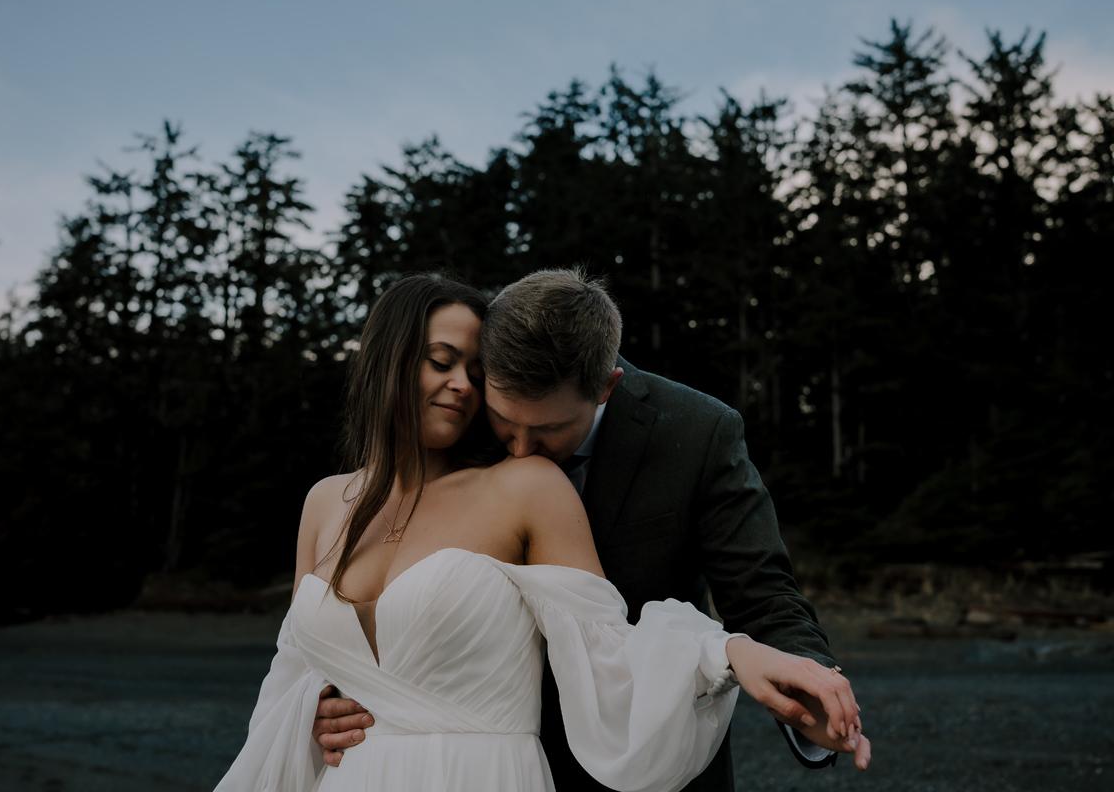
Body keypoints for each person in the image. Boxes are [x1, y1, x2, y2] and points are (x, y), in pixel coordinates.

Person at [215, 274, 864, 792]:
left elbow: (761, 592)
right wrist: (322, 704)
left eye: (549, 431)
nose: (520, 447)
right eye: (503, 421)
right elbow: (326, 649)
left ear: (605, 389)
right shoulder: (446, 435)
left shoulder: (695, 432)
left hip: (621, 749)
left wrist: (803, 680)